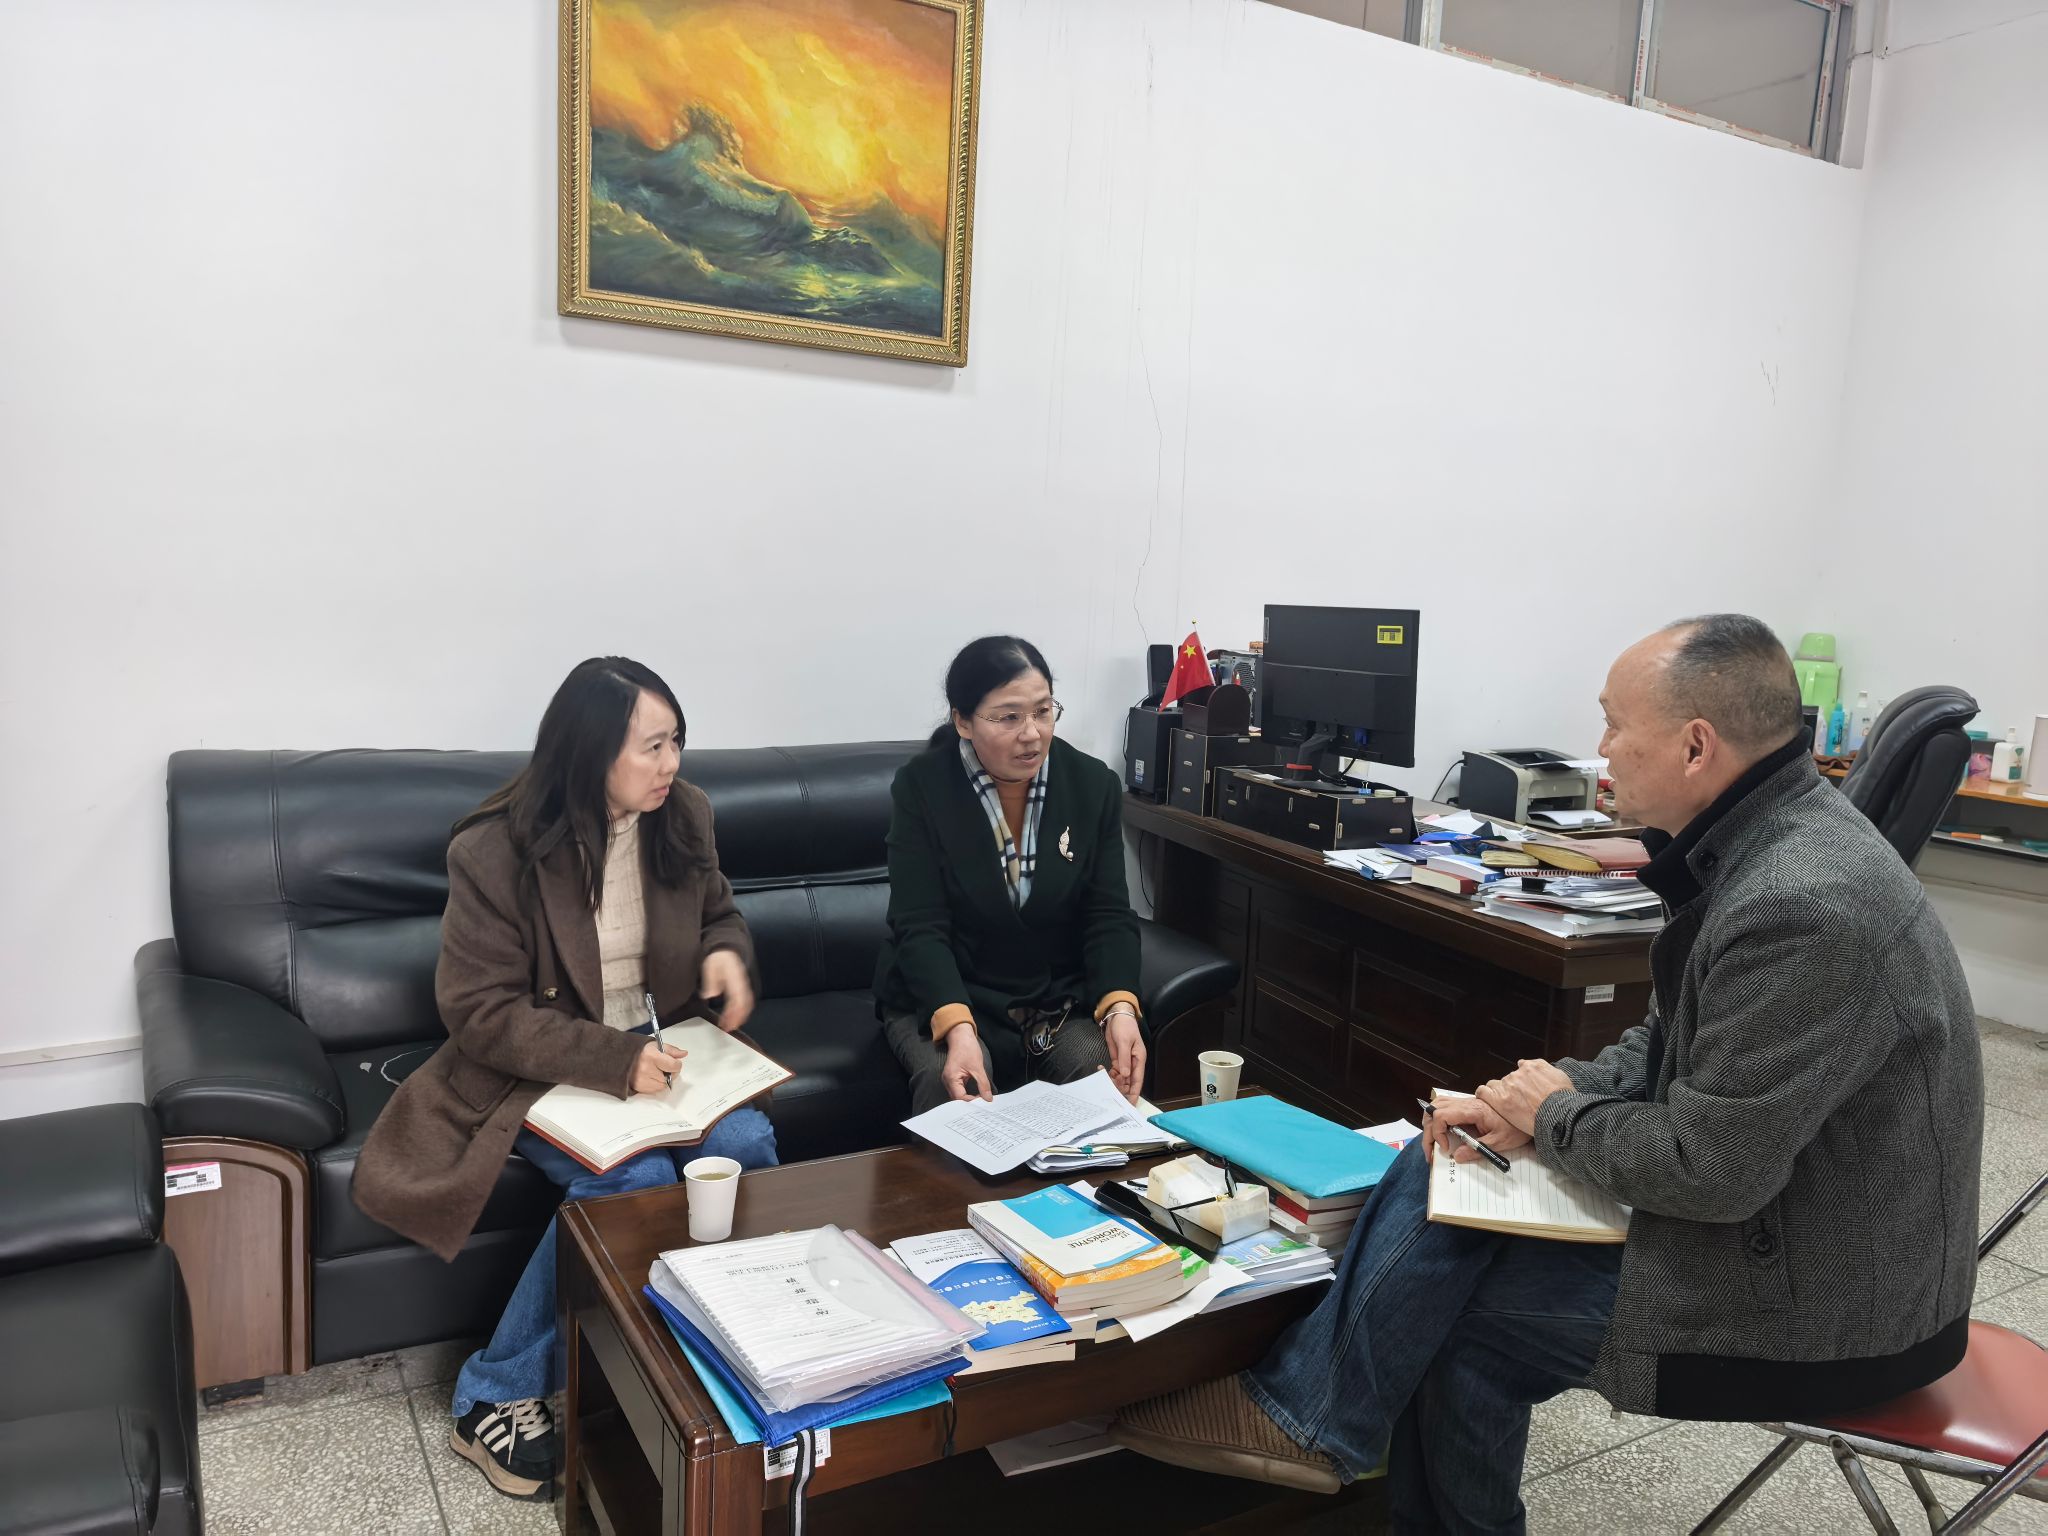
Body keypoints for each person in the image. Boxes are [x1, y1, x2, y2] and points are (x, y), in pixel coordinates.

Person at [1111, 614, 1983, 1534]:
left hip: (1827, 1304)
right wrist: (1520, 1105)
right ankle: (1312, 1416)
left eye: (1615, 725)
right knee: (1445, 1151)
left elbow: (1712, 1171)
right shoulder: (1758, 847)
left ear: (1696, 746)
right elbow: (1662, 1045)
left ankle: (1313, 1421)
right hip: (1784, 1226)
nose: (1601, 751)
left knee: (1459, 1315)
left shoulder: (1801, 904)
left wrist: (1558, 1113)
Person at [353, 657, 778, 1502]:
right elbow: (479, 1012)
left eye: (677, 741)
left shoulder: (682, 814)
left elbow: (718, 912)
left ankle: (692, 1352)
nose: (671, 764)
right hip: (541, 1064)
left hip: (663, 1050)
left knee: (745, 1143)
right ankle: (495, 1392)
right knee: (632, 1182)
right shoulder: (496, 849)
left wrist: (726, 952)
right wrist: (614, 1062)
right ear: (590, 752)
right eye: (652, 747)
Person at [875, 635, 1147, 1111]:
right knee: (954, 1086)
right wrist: (957, 1026)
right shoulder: (922, 788)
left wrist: (1120, 1006)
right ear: (963, 721)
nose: (1032, 734)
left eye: (1043, 712)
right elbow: (920, 925)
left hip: (1053, 1002)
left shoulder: (1092, 785)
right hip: (951, 994)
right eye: (1009, 717)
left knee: (1107, 1075)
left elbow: (1107, 913)